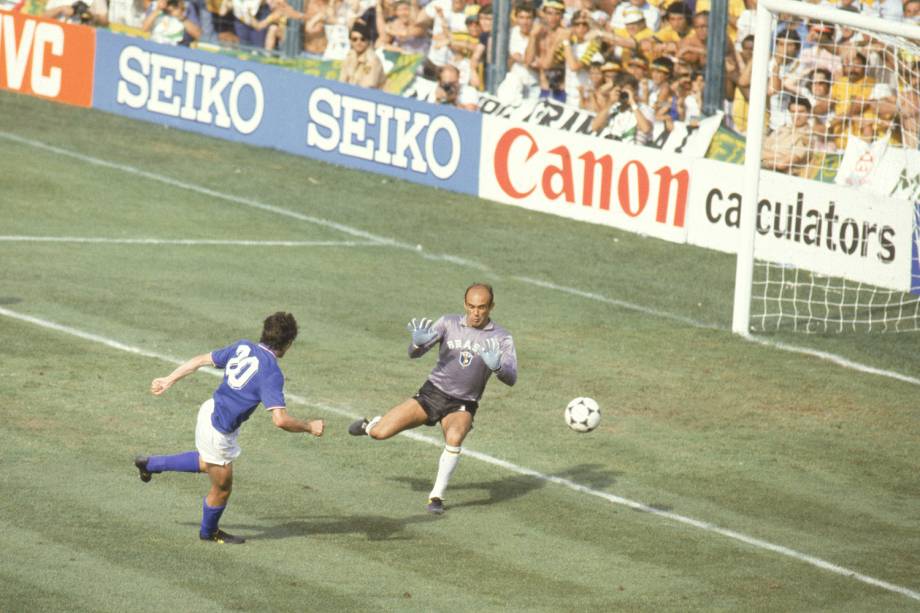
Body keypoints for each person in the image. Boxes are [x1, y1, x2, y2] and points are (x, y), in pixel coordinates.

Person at [135, 312, 325, 544]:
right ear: (288, 343)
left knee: (209, 463)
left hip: (209, 411)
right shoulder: (272, 373)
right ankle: (208, 532)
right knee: (222, 487)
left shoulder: (243, 347)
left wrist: (168, 379)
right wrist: (309, 426)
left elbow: (199, 360)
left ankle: (151, 464)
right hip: (220, 430)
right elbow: (281, 420)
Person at [347, 283, 517, 515]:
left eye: (482, 307)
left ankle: (436, 496)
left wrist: (497, 367)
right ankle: (370, 426)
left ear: (492, 307)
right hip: (432, 393)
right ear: (465, 305)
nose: (476, 312)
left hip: (463, 403)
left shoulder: (501, 337)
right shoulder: (448, 323)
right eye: (472, 306)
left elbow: (511, 377)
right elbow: (413, 353)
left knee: (455, 437)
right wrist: (417, 342)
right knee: (380, 434)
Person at [339, 21, 387, 88]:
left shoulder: (372, 60)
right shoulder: (350, 56)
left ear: (368, 41)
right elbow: (342, 81)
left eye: (363, 39)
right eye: (354, 39)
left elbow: (368, 87)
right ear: (350, 41)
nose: (358, 42)